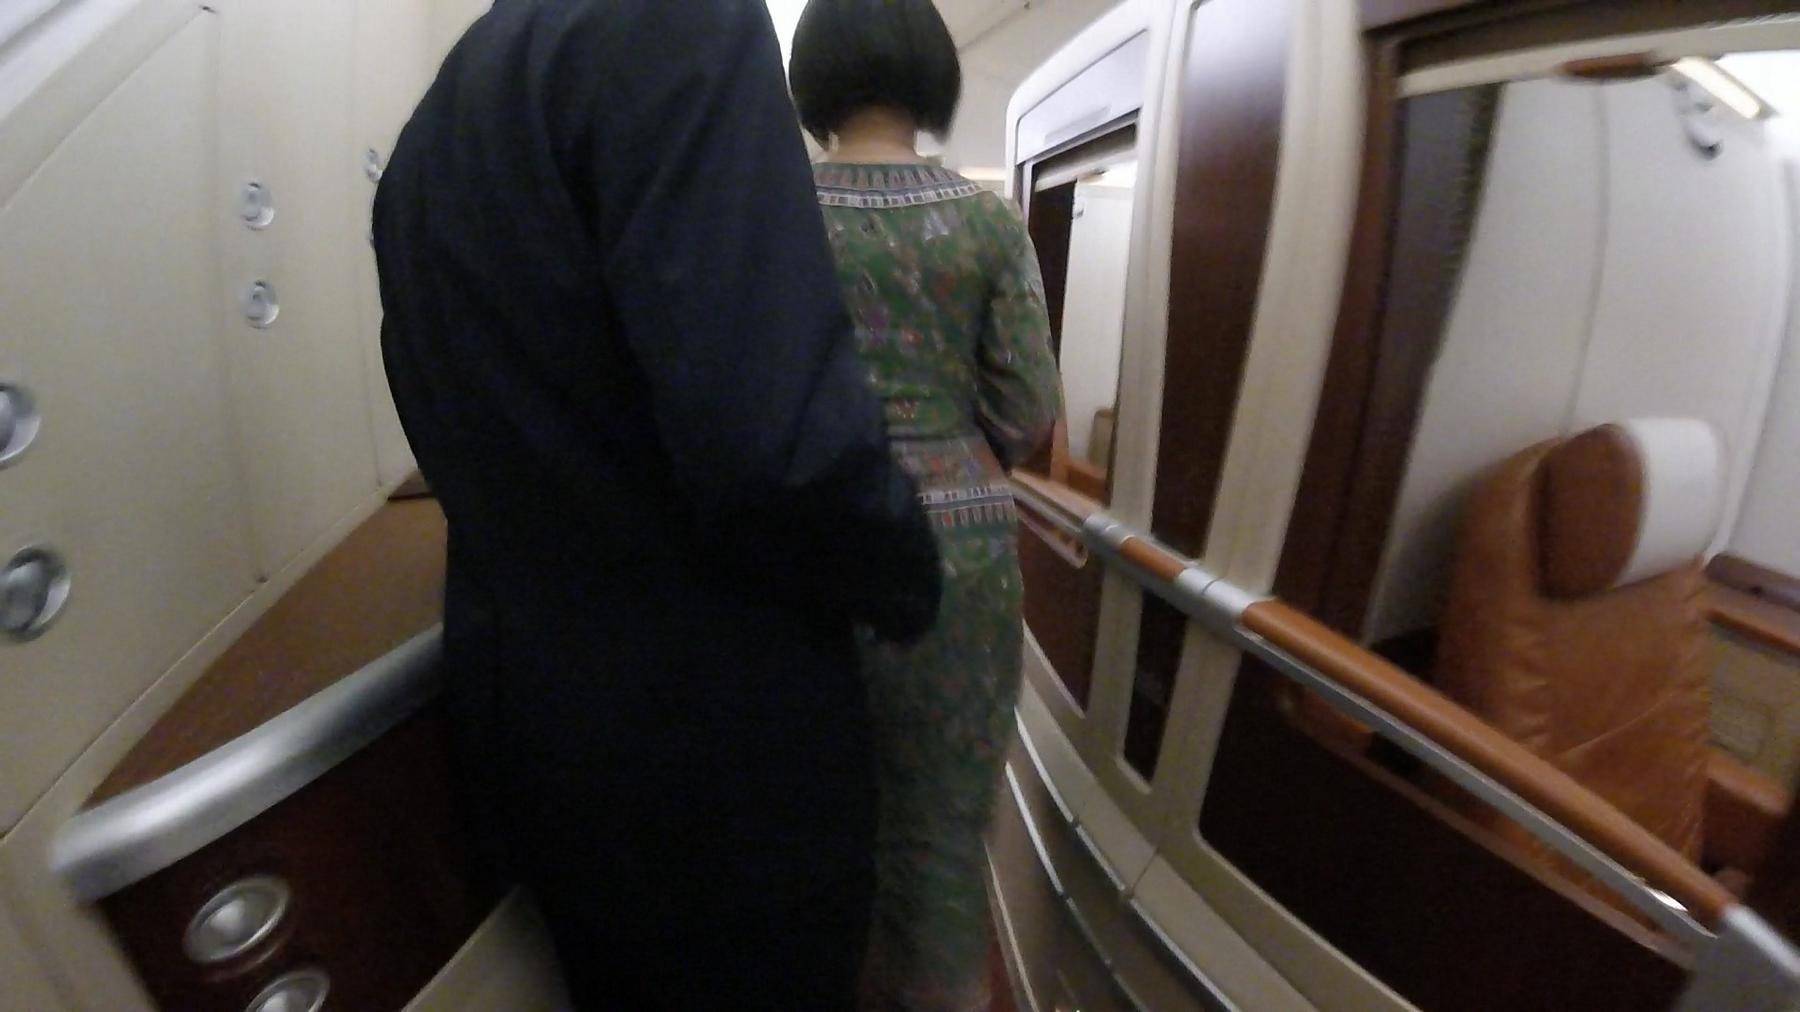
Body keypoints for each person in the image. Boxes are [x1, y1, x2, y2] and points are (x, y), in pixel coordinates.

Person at [371, 2, 942, 1008]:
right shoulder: (682, 23)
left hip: (537, 747)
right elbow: (777, 448)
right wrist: (905, 571)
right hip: (717, 766)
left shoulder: (433, 131)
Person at [790, 3, 1064, 1008]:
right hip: (963, 559)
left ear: (812, 75)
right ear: (931, 74)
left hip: (807, 548)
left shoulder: (771, 212)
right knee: (943, 829)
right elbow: (1029, 412)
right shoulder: (990, 223)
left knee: (816, 816)